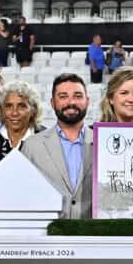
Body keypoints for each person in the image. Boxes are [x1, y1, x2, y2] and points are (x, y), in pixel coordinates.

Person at [22, 73, 92, 219]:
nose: (71, 102)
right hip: (47, 235)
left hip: (93, 236)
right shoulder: (32, 146)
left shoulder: (103, 143)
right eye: (63, 96)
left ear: (87, 101)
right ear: (53, 103)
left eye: (78, 96)